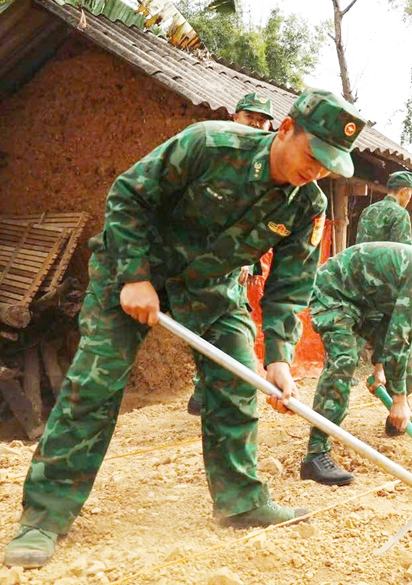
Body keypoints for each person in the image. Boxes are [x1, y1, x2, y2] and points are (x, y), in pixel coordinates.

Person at [2, 88, 367, 568]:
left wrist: (279, 356)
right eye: (313, 156)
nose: (316, 171)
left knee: (237, 381)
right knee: (95, 384)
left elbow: (290, 286)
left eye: (328, 165)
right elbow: (129, 195)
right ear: (285, 129)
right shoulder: (210, 144)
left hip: (211, 287)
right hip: (132, 268)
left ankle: (240, 502)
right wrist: (135, 276)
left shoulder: (308, 206)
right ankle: (43, 516)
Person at [278, 237, 412, 485]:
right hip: (335, 292)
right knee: (344, 361)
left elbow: (390, 317)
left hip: (367, 301)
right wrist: (398, 398)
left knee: (407, 368)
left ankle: (398, 420)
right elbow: (397, 335)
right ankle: (315, 456)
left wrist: (380, 366)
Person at [188, 91, 279, 416]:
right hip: (193, 262)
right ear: (234, 117)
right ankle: (203, 388)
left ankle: (203, 392)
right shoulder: (213, 150)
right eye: (249, 117)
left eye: (262, 121)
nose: (254, 125)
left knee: (228, 326)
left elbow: (255, 222)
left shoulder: (268, 170)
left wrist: (247, 260)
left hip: (230, 268)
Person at [355, 170, 412, 245]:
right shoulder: (400, 213)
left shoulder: (367, 210)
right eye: (411, 194)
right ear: (404, 191)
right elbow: (403, 249)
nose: (409, 199)